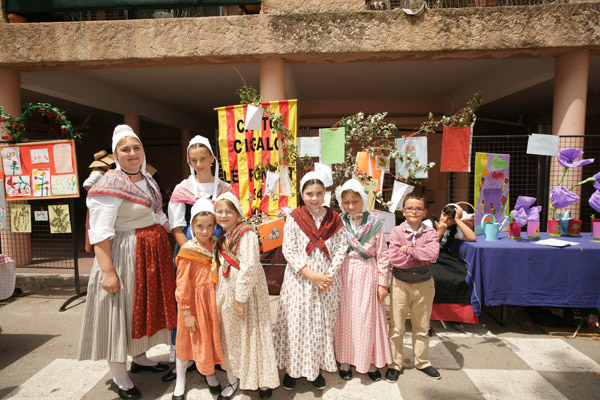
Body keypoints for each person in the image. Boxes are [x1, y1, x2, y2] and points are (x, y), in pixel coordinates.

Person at [78, 124, 177, 400]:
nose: (132, 153)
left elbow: (156, 214)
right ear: (116, 154)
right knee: (119, 312)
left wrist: (180, 234)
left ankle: (140, 357)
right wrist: (108, 272)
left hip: (149, 253)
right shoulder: (108, 184)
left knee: (141, 309)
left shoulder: (147, 179)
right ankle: (120, 377)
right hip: (124, 254)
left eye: (136, 148)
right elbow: (99, 232)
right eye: (126, 149)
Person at [164, 134, 234, 382]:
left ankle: (213, 353)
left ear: (213, 158)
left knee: (214, 303)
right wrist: (191, 251)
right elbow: (176, 226)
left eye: (203, 158)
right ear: (189, 161)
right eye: (194, 160)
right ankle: (183, 355)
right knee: (187, 301)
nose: (199, 163)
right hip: (190, 248)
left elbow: (232, 221)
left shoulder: (225, 188)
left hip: (218, 250)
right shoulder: (182, 189)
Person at [273, 169, 348, 391]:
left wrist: (328, 276)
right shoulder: (295, 218)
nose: (314, 198)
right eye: (309, 193)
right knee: (296, 325)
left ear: (326, 194)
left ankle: (314, 369)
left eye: (318, 193)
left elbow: (341, 248)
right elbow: (290, 250)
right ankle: (292, 370)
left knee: (321, 326)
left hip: (326, 283)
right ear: (302, 194)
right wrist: (312, 275)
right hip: (300, 281)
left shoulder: (334, 219)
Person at [214, 192, 279, 400]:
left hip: (247, 294)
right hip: (227, 291)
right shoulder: (224, 236)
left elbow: (249, 266)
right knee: (231, 336)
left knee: (254, 334)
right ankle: (233, 379)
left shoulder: (246, 233)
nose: (223, 215)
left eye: (228, 211)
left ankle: (263, 379)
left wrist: (240, 298)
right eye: (219, 211)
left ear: (237, 213)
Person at [333, 179, 391, 381]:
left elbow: (383, 254)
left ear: (363, 200)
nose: (350, 206)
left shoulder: (374, 222)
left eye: (355, 201)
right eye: (346, 202)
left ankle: (370, 362)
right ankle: (345, 360)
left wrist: (383, 283)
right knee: (345, 317)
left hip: (367, 274)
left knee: (367, 319)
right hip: (344, 273)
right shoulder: (338, 221)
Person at [172, 198, 224, 400]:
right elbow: (182, 283)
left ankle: (209, 374)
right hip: (193, 303)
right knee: (186, 341)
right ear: (191, 226)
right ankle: (180, 382)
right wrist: (185, 311)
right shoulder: (188, 250)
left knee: (208, 339)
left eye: (210, 226)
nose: (205, 231)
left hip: (211, 300)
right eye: (200, 226)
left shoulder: (216, 245)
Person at [386, 193, 440, 383]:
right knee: (396, 327)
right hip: (400, 284)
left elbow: (433, 254)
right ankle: (394, 363)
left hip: (424, 284)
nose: (414, 211)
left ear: (425, 211)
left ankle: (422, 361)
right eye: (410, 208)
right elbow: (394, 259)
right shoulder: (397, 232)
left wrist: (407, 249)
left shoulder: (430, 232)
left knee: (421, 326)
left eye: (418, 208)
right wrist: (419, 256)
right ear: (403, 211)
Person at [427, 204, 478, 325]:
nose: (445, 219)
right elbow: (430, 247)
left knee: (463, 276)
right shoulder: (429, 224)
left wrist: (457, 220)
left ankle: (456, 315)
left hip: (443, 257)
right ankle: (432, 314)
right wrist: (440, 231)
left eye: (450, 218)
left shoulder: (454, 229)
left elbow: (472, 237)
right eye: (444, 215)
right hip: (427, 256)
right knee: (436, 278)